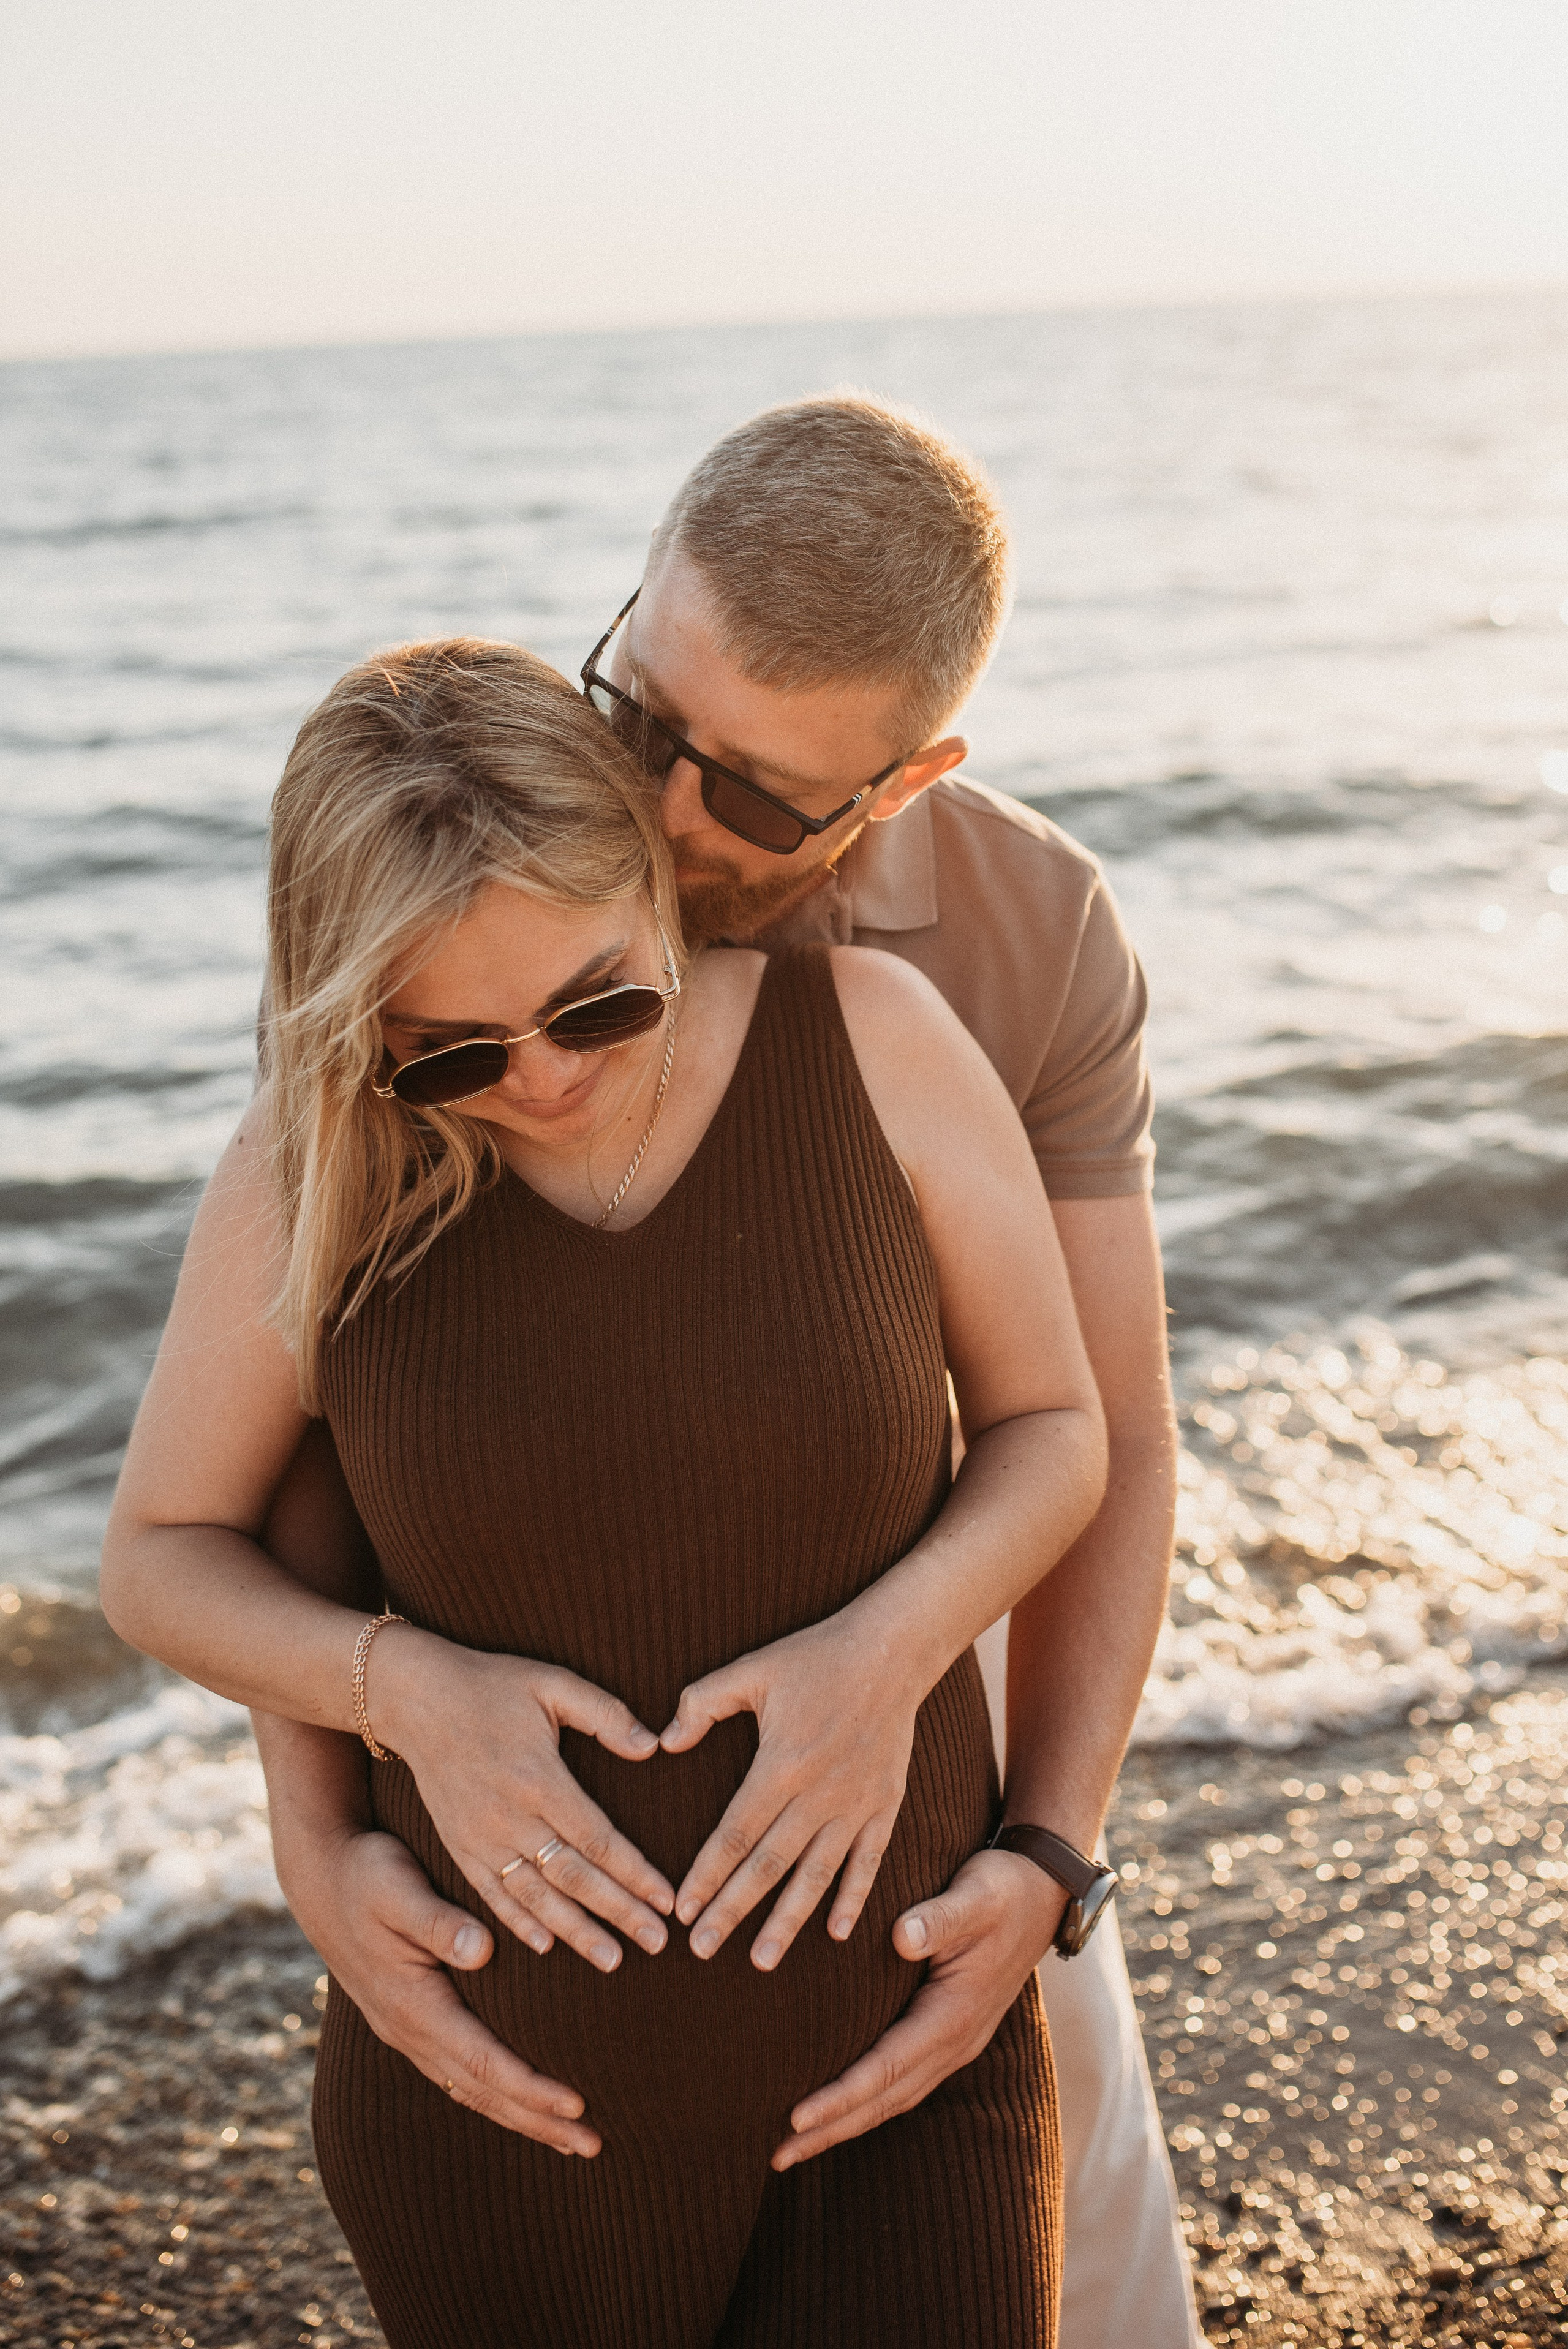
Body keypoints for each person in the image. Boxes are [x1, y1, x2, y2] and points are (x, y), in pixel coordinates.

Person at [257, 395, 1202, 2346]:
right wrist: (318, 1833)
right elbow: (306, 1403)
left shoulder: (1028, 938)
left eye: (756, 795)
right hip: (546, 1837)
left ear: (911, 773)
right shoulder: (484, 831)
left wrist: (1048, 1849)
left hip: (933, 1740)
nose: (668, 820)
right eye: (647, 716)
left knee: (1078, 2234)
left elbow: (1098, 1424)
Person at [101, 636, 1109, 2347]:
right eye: (451, 1052)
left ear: (658, 883)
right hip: (498, 2130)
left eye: (599, 999)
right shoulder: (312, 1164)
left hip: (912, 2084)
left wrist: (895, 1655)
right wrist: (397, 1693)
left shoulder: (876, 1040)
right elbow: (158, 1555)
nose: (548, 1079)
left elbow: (1056, 1426)